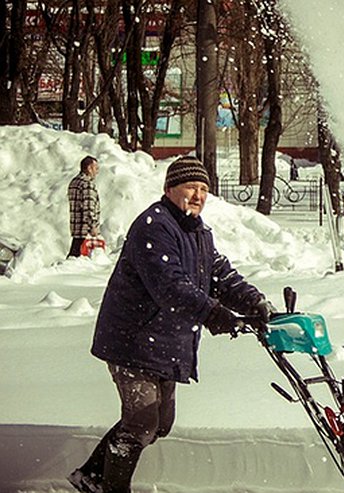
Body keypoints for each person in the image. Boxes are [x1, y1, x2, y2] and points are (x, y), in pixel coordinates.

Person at [68, 156, 275, 493]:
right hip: (133, 339)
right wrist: (211, 312)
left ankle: (91, 475)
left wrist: (255, 302)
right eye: (191, 187)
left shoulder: (198, 232)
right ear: (169, 189)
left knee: (160, 425)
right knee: (141, 423)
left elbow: (220, 276)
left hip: (165, 341)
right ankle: (110, 487)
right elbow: (169, 285)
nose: (198, 195)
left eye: (204, 189)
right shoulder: (155, 225)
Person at [68, 156, 101, 257]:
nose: (97, 172)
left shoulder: (74, 182)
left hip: (76, 229)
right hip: (85, 231)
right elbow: (88, 207)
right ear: (89, 168)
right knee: (80, 262)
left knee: (74, 255)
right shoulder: (87, 184)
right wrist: (93, 226)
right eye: (96, 168)